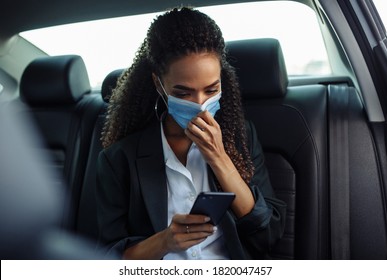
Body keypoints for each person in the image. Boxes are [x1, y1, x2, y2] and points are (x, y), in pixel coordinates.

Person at [96, 6, 286, 260]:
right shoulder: (119, 159)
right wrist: (164, 242)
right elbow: (109, 257)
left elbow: (269, 234)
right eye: (183, 93)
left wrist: (220, 158)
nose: (199, 105)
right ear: (159, 85)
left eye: (210, 90)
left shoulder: (241, 137)